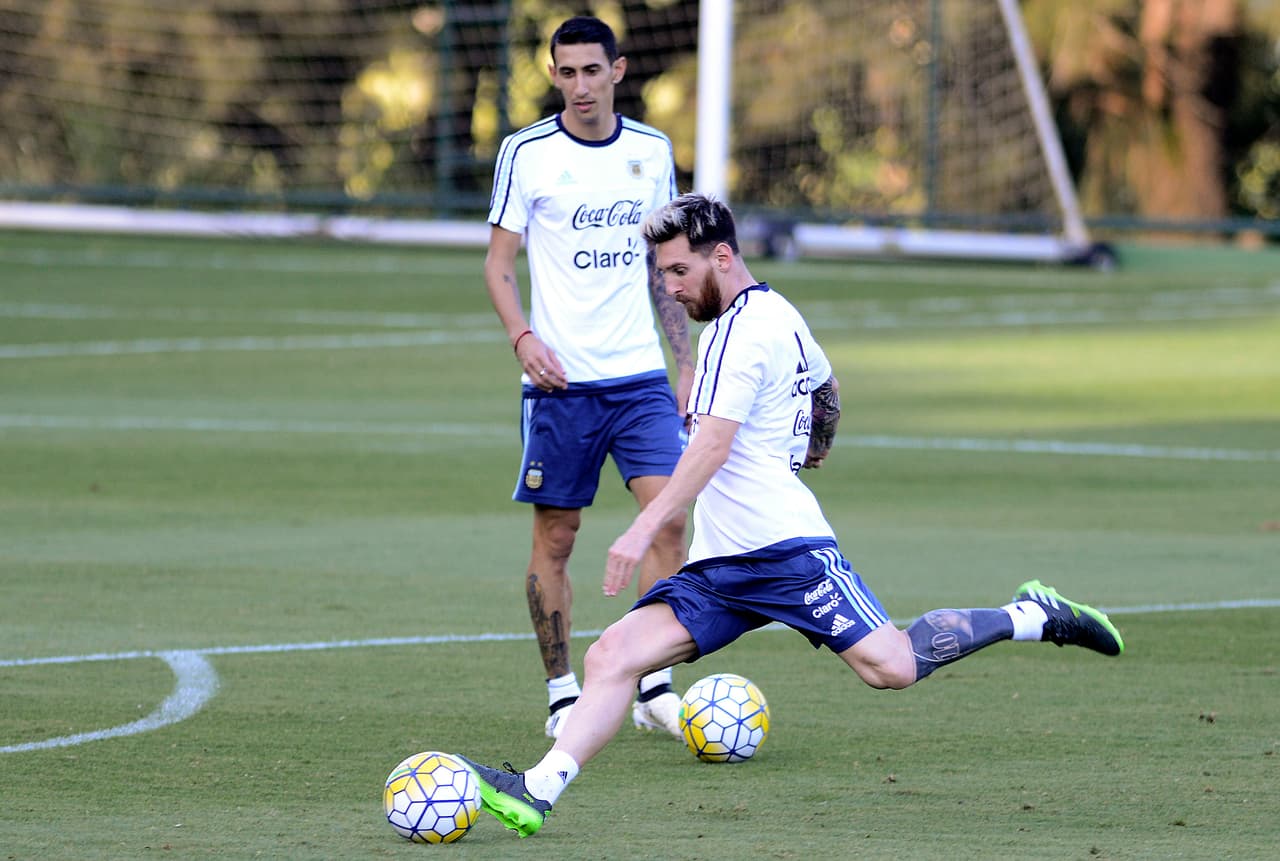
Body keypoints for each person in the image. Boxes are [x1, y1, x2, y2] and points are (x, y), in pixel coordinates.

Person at [459, 193, 1125, 837]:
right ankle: (537, 789)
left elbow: (712, 446)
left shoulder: (739, 335)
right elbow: (827, 390)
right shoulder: (779, 312)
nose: (670, 288)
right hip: (721, 565)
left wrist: (643, 525)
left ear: (722, 257)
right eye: (662, 275)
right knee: (613, 654)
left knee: (890, 665)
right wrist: (817, 447)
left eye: (679, 271)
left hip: (788, 552)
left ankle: (1032, 614)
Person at [482, 16, 694, 740]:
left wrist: (686, 364)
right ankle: (562, 691)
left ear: (618, 70)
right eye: (566, 73)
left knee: (669, 517)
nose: (579, 85)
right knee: (559, 537)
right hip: (559, 387)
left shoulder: (652, 151)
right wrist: (523, 337)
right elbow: (498, 264)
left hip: (639, 380)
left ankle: (653, 681)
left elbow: (665, 269)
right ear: (553, 76)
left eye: (591, 71)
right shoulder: (527, 153)